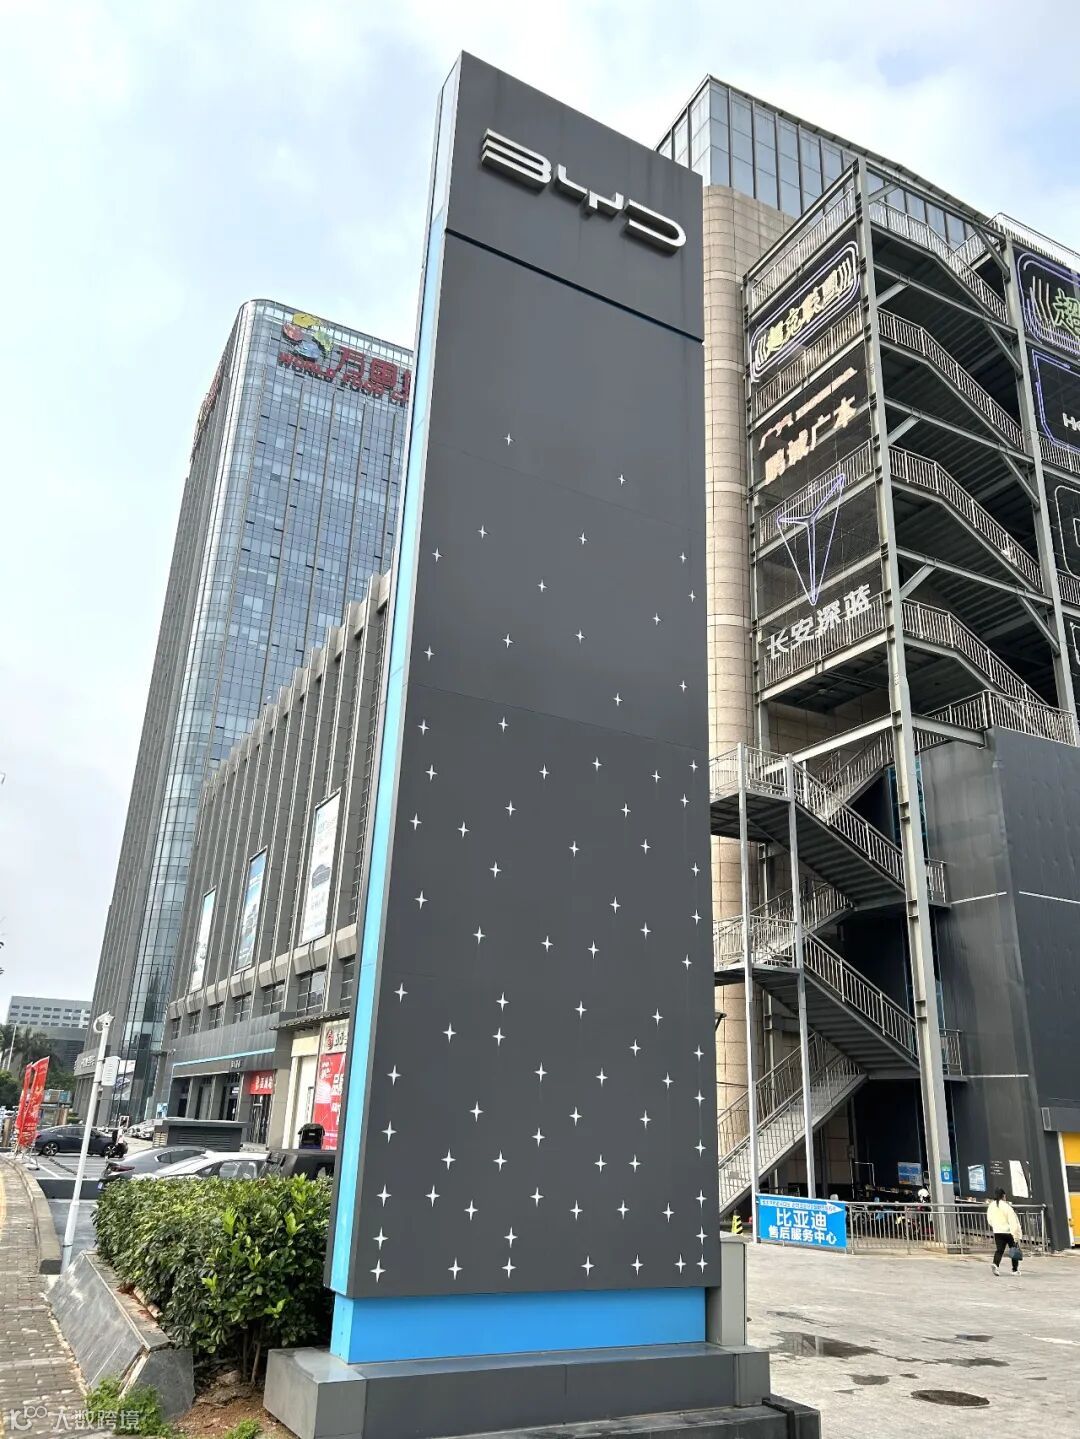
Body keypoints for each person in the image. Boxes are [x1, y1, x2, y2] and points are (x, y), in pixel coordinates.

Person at [986, 1188, 1022, 1275]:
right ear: (1003, 1196)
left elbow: (989, 1220)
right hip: (1009, 1232)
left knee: (999, 1250)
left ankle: (995, 1264)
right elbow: (1013, 1221)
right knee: (1014, 1250)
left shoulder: (991, 1206)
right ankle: (1015, 1270)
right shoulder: (1007, 1207)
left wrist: (995, 1226)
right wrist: (1016, 1235)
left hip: (997, 1231)